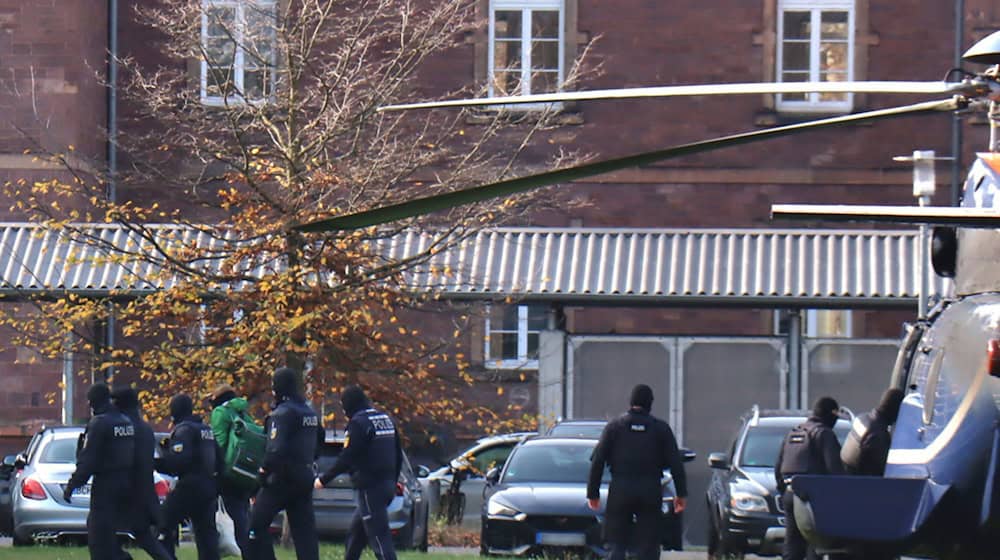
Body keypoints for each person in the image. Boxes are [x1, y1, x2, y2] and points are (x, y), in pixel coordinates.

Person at [586, 384, 688, 560]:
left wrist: (592, 493)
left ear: (631, 402)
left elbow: (598, 461)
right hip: (650, 490)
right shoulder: (661, 429)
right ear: (650, 403)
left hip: (621, 489)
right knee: (648, 544)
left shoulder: (615, 427)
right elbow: (676, 464)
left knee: (616, 541)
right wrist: (681, 494)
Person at [315, 385, 403, 560]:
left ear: (349, 405)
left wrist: (323, 480)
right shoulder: (385, 419)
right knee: (356, 536)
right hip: (386, 485)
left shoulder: (358, 423)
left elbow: (347, 457)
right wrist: (393, 481)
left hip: (370, 488)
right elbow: (398, 453)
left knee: (379, 538)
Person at [247, 367, 320, 560]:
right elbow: (319, 443)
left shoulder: (282, 414)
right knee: (305, 535)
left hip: (280, 480)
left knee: (255, 526)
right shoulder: (310, 413)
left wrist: (262, 475)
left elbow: (275, 449)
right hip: (304, 477)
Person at [64, 383, 136, 560]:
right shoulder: (125, 421)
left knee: (99, 537)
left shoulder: (99, 423)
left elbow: (88, 460)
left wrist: (72, 485)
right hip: (125, 483)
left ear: (93, 402)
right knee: (108, 535)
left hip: (105, 485)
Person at [775, 396, 845, 560]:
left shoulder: (793, 433)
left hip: (790, 494)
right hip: (814, 498)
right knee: (816, 545)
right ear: (831, 414)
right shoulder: (824, 434)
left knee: (792, 545)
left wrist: (784, 491)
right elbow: (835, 471)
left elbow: (778, 469)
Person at [110, 386, 173, 560]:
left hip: (124, 488)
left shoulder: (121, 426)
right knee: (143, 534)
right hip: (144, 488)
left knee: (103, 532)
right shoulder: (145, 428)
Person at [155, 393, 221, 560]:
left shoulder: (184, 430)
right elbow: (220, 460)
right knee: (206, 534)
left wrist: (158, 462)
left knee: (162, 523)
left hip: (189, 486)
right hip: (209, 486)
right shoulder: (207, 430)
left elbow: (178, 463)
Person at [209, 383, 255, 555]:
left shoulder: (220, 412)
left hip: (227, 473)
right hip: (245, 472)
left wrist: (214, 471)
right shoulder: (243, 412)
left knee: (232, 520)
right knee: (242, 517)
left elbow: (218, 444)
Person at [841, 388, 905, 476]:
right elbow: (885, 470)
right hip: (860, 484)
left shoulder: (861, 418)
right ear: (896, 411)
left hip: (844, 475)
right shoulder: (878, 435)